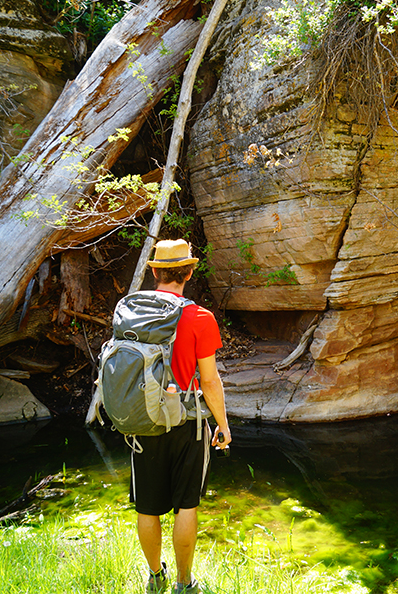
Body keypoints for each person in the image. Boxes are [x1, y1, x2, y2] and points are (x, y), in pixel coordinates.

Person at [132, 239, 231, 594]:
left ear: (156, 271)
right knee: (185, 504)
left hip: (142, 419)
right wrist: (223, 424)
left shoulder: (133, 310)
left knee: (148, 505)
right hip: (188, 422)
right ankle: (184, 583)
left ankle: (154, 577)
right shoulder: (199, 317)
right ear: (189, 272)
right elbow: (209, 379)